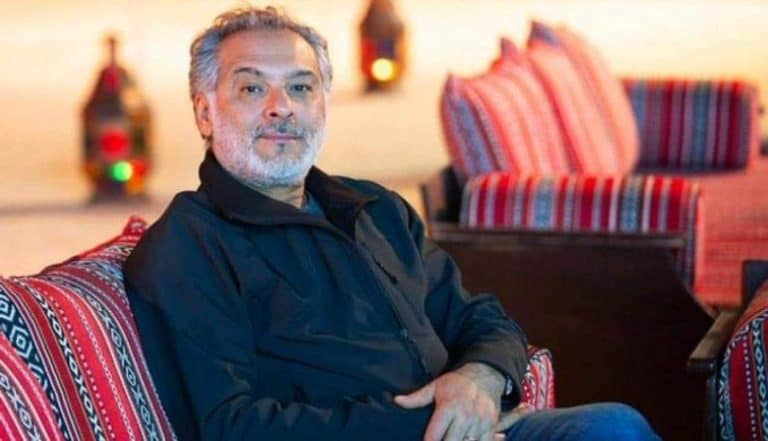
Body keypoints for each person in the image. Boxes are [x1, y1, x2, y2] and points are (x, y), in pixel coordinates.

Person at [124, 6, 660, 441]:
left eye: (302, 87)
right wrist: (432, 424)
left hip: (473, 429)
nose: (281, 107)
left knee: (614, 426)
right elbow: (231, 426)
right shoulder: (190, 244)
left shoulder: (374, 208)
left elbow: (481, 318)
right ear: (204, 112)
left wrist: (479, 378)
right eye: (251, 88)